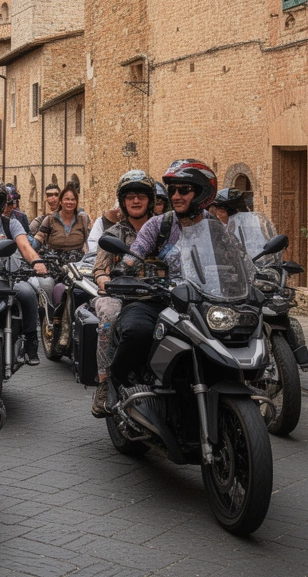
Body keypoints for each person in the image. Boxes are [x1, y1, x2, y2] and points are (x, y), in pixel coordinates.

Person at [104, 159, 217, 407]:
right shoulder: (160, 224)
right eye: (172, 190)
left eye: (183, 190)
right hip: (156, 298)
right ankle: (116, 381)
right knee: (137, 331)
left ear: (201, 193)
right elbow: (136, 252)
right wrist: (124, 269)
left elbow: (233, 258)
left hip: (202, 302)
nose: (176, 196)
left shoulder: (214, 226)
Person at [88, 170, 156, 416]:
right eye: (130, 197)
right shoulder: (113, 234)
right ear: (123, 201)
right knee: (109, 316)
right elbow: (100, 269)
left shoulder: (163, 228)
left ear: (150, 199)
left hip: (156, 295)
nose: (135, 201)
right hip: (119, 295)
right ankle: (105, 383)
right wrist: (107, 282)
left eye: (140, 196)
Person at [0, 177, 48, 365]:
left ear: (1, 201)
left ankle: (30, 339)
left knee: (28, 293)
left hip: (9, 277)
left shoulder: (11, 224)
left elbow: (25, 246)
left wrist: (36, 262)